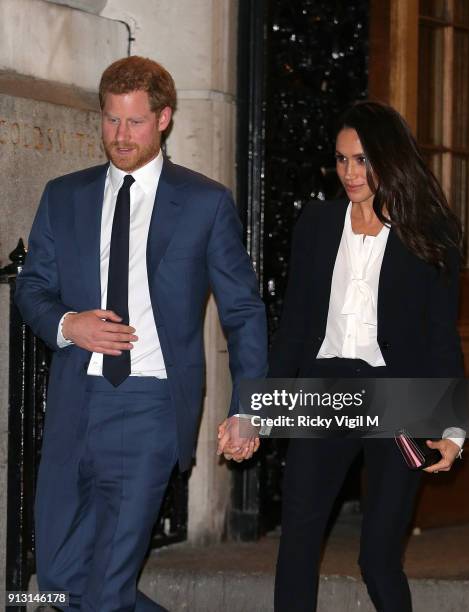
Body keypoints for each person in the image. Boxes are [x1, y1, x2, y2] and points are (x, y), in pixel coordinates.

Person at [15, 55, 266, 612]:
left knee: (106, 590)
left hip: (148, 406)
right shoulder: (64, 195)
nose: (119, 136)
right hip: (75, 401)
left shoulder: (205, 203)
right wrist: (67, 324)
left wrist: (248, 407)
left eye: (133, 122)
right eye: (109, 120)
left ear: (164, 119)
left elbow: (244, 311)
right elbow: (30, 287)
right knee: (56, 580)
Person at [269, 101, 466, 612]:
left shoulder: (431, 234)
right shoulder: (316, 222)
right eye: (341, 160)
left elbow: (442, 337)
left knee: (377, 556)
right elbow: (292, 326)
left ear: (390, 159)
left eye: (363, 160)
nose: (351, 173)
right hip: (321, 391)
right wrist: (257, 407)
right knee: (297, 543)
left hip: (397, 400)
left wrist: (452, 428)